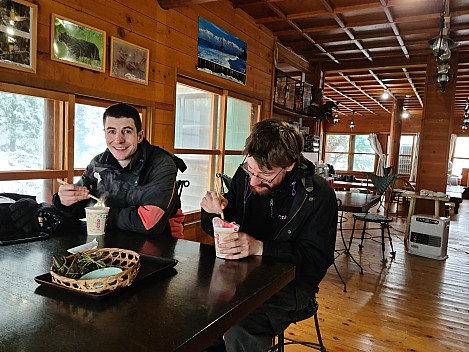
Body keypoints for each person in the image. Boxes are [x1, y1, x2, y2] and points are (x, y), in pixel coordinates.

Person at [200, 119, 337, 352]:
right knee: (200, 314)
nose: (253, 181)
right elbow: (223, 224)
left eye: (265, 174)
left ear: (290, 165)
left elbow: (316, 260)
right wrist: (210, 212)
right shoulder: (245, 179)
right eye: (250, 170)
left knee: (241, 326)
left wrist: (259, 247)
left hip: (293, 285)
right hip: (240, 276)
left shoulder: (318, 195)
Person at [52, 103, 187, 238]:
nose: (118, 140)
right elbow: (78, 207)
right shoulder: (98, 163)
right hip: (109, 241)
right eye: (112, 131)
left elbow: (149, 223)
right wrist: (64, 202)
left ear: (140, 136)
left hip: (159, 245)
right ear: (105, 134)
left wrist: (99, 213)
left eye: (127, 131)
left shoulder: (162, 164)